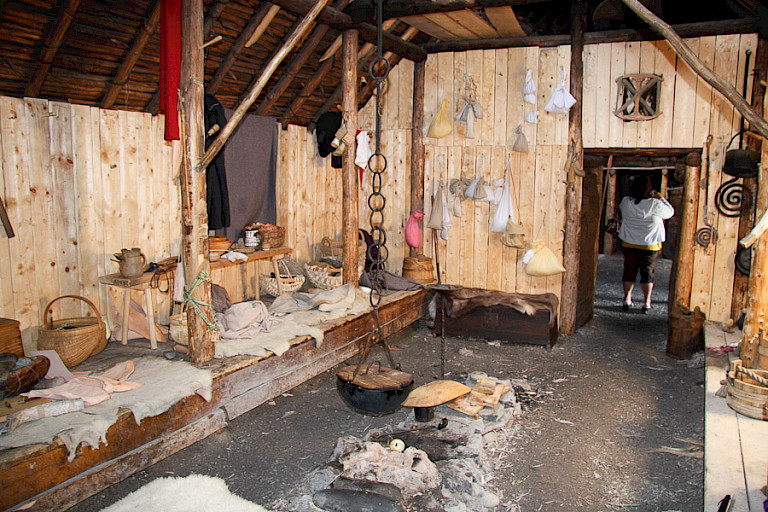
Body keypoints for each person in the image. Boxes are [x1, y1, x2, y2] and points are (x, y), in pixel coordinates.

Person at [618, 175, 674, 313]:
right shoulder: (655, 204)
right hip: (649, 244)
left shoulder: (626, 202)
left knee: (629, 272)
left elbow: (622, 210)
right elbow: (670, 213)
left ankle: (626, 299)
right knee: (647, 273)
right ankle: (646, 302)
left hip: (629, 242)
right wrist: (661, 197)